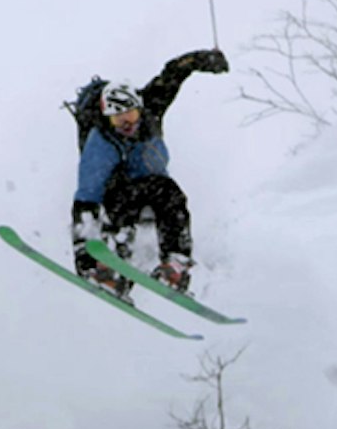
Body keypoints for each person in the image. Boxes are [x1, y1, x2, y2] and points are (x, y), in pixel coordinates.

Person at [71, 48, 230, 299]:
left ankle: (175, 265)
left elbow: (173, 73)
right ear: (106, 119)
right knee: (119, 201)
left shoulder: (152, 106)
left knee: (169, 192)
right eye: (118, 120)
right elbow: (86, 199)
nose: (127, 125)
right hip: (120, 195)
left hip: (153, 186)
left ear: (140, 108)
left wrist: (202, 60)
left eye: (131, 115)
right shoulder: (100, 144)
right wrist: (85, 256)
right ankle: (111, 269)